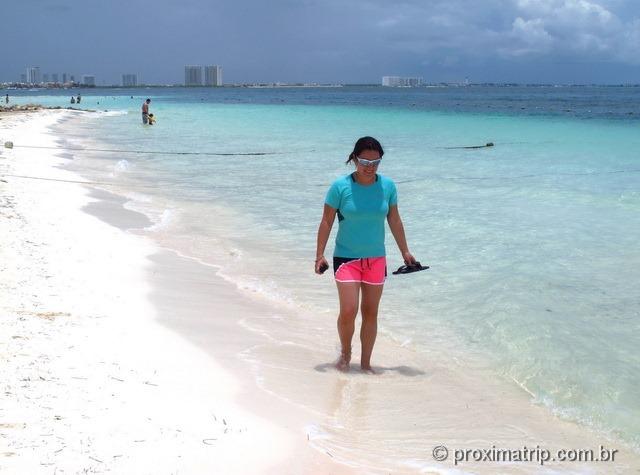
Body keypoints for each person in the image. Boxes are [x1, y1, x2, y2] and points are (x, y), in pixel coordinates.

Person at [315, 136, 417, 373]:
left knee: (371, 312)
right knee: (349, 310)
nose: (369, 167)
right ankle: (345, 352)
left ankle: (366, 364)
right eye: (364, 162)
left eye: (375, 162)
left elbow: (394, 219)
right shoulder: (340, 187)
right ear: (354, 159)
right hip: (346, 258)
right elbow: (326, 221)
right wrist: (319, 255)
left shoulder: (388, 187)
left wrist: (405, 251)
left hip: (376, 259)